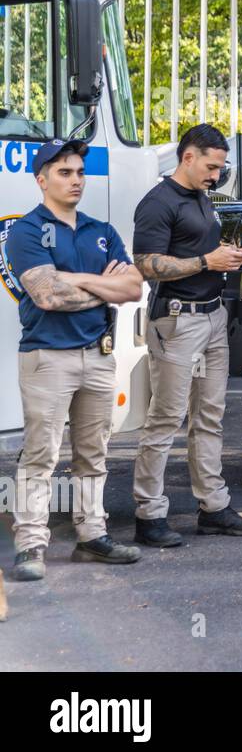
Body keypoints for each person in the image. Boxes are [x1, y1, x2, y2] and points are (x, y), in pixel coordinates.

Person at [6, 140, 144, 581]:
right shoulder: (26, 231)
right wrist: (102, 284)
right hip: (48, 357)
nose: (76, 180)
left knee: (93, 455)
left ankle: (92, 536)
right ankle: (30, 544)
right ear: (42, 179)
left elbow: (132, 289)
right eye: (65, 172)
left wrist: (76, 278)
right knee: (40, 456)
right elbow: (47, 296)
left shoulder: (100, 229)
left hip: (98, 358)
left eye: (80, 172)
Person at [131, 124, 242, 548]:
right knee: (165, 419)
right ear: (188, 157)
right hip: (177, 321)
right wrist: (207, 261)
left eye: (220, 167)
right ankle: (149, 514)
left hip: (211, 318)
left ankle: (214, 507)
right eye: (211, 167)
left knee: (209, 416)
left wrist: (226, 258)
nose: (216, 175)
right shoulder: (158, 202)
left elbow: (196, 253)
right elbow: (147, 264)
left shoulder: (202, 198)